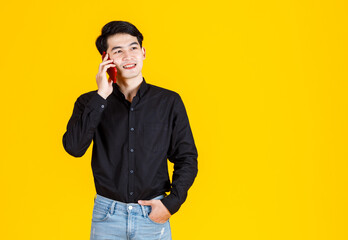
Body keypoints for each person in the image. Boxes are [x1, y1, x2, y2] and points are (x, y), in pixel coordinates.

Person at [62, 20, 198, 240]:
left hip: (152, 216)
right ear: (106, 59)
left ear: (143, 52)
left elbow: (187, 158)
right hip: (107, 216)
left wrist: (171, 204)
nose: (128, 56)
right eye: (118, 51)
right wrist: (101, 97)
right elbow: (74, 148)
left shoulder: (169, 101)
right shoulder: (90, 102)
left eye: (133, 48)